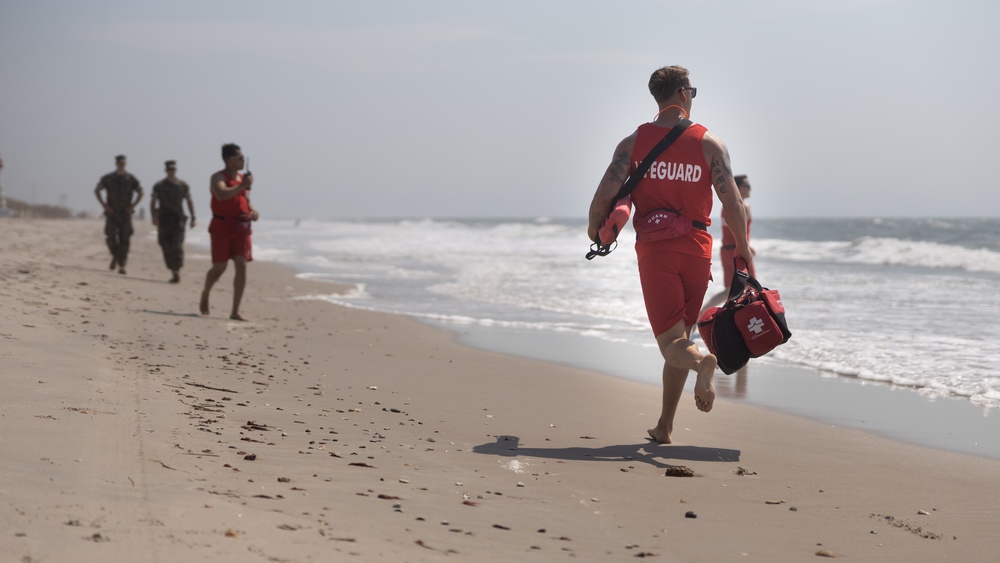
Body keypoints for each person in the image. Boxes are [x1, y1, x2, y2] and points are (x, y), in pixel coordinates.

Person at [587, 65, 753, 444]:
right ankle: (664, 426)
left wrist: (595, 230)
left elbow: (601, 201)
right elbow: (733, 205)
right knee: (682, 337)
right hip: (698, 252)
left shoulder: (632, 143)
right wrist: (742, 248)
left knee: (674, 345)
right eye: (692, 91)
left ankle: (702, 363)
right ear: (682, 93)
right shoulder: (710, 143)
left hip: (656, 252)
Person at [200, 143, 259, 321]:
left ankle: (235, 311)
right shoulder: (218, 177)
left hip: (241, 227)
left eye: (243, 158)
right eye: (239, 158)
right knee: (219, 267)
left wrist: (253, 212)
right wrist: (243, 185)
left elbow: (244, 201)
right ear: (229, 160)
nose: (243, 160)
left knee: (241, 264)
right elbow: (222, 194)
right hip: (221, 226)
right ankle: (206, 292)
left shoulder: (243, 179)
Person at [699, 174, 755, 317]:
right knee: (750, 288)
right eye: (747, 186)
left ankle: (701, 313)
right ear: (739, 188)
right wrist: (747, 247)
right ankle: (745, 323)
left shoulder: (726, 207)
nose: (750, 189)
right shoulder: (743, 206)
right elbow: (741, 231)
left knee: (729, 290)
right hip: (738, 252)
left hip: (725, 251)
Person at [94, 154, 143, 274]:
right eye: (119, 163)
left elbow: (141, 192)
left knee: (125, 239)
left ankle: (122, 265)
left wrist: (133, 206)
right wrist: (104, 205)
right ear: (116, 164)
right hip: (112, 213)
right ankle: (116, 255)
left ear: (125, 164)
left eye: (123, 163)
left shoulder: (131, 179)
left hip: (125, 214)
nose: (121, 165)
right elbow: (97, 190)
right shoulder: (108, 178)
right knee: (110, 236)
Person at [150, 160, 196, 283]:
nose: (171, 172)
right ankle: (172, 269)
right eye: (169, 170)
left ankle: (176, 271)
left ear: (176, 170)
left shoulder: (182, 185)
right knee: (165, 245)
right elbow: (153, 201)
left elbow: (189, 201)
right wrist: (153, 217)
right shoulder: (159, 186)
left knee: (177, 246)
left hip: (177, 220)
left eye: (173, 170)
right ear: (166, 171)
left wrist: (193, 217)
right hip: (164, 219)